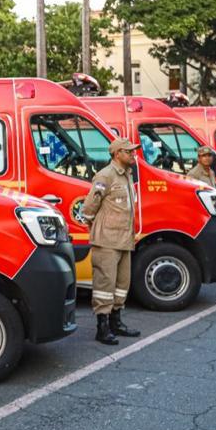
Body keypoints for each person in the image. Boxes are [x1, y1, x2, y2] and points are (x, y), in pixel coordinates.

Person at [80, 138, 142, 346]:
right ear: (117, 154)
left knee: (122, 284)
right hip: (107, 240)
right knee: (104, 285)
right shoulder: (105, 175)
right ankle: (102, 327)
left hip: (124, 240)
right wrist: (93, 226)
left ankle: (116, 322)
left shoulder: (126, 175)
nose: (133, 155)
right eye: (129, 152)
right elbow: (90, 206)